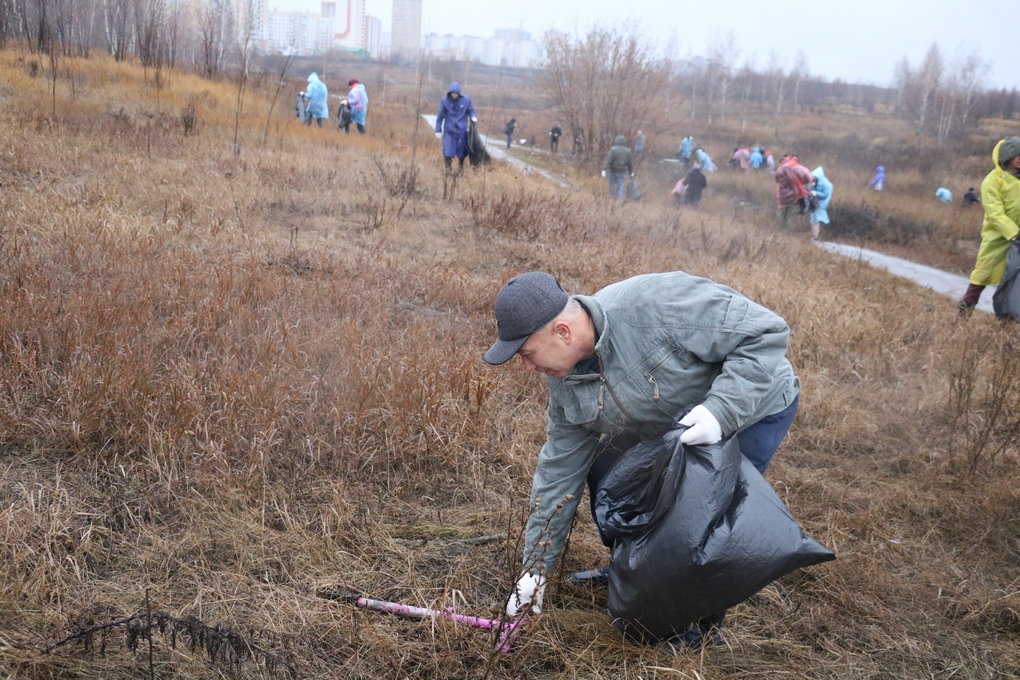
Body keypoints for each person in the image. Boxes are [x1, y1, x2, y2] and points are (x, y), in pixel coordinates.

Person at [482, 271, 800, 649]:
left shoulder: (661, 305)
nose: (527, 368)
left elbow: (765, 333)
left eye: (527, 354)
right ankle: (633, 573)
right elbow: (558, 473)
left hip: (751, 406)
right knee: (607, 468)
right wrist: (535, 570)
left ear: (563, 332)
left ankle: (695, 624)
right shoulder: (565, 382)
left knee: (701, 515)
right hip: (665, 422)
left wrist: (720, 412)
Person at [958, 137, 1020, 315]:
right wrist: (1013, 233)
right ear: (1007, 156)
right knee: (984, 272)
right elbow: (994, 213)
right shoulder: (992, 181)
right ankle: (966, 307)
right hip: (997, 237)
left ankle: (1008, 317)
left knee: (1014, 277)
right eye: (1017, 154)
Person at [435, 81, 477, 173]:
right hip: (449, 129)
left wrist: (473, 117)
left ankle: (461, 165)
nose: (454, 95)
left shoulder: (466, 100)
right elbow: (440, 115)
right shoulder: (444, 101)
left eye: (456, 93)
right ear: (450, 93)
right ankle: (448, 168)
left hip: (462, 130)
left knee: (462, 150)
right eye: (453, 93)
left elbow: (471, 110)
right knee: (447, 148)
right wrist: (438, 129)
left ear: (459, 93)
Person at [775, 155, 814, 231]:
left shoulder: (781, 169)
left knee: (781, 212)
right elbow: (807, 179)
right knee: (791, 214)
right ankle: (789, 231)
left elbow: (776, 179)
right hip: (794, 195)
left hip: (781, 194)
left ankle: (779, 229)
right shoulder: (799, 169)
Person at [601, 135, 633, 201]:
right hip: (622, 172)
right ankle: (619, 201)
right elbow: (629, 164)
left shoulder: (613, 149)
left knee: (612, 186)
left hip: (613, 171)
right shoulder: (628, 151)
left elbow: (608, 160)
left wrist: (604, 169)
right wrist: (631, 172)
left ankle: (611, 200)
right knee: (620, 187)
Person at [809, 166, 833, 241]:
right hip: (815, 203)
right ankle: (815, 236)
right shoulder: (816, 182)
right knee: (814, 219)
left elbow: (825, 195)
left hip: (819, 204)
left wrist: (816, 193)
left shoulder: (824, 184)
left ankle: (815, 236)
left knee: (815, 220)